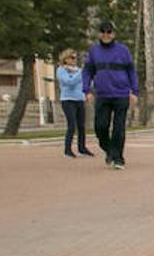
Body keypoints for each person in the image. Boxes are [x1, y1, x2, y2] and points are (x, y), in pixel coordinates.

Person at [82, 21, 138, 169]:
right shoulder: (94, 51)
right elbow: (87, 71)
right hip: (102, 95)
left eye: (109, 32)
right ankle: (111, 151)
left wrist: (134, 91)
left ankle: (118, 158)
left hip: (121, 94)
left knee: (119, 128)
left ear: (114, 34)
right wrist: (86, 90)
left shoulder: (123, 50)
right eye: (103, 32)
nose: (106, 35)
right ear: (99, 34)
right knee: (100, 127)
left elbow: (131, 71)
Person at [56, 49, 93, 157]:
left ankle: (82, 148)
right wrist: (80, 73)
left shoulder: (77, 70)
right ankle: (67, 150)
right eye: (71, 58)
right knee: (72, 125)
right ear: (65, 59)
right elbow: (69, 82)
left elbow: (85, 83)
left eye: (75, 58)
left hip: (79, 99)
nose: (74, 60)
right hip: (68, 100)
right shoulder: (61, 70)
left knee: (81, 126)